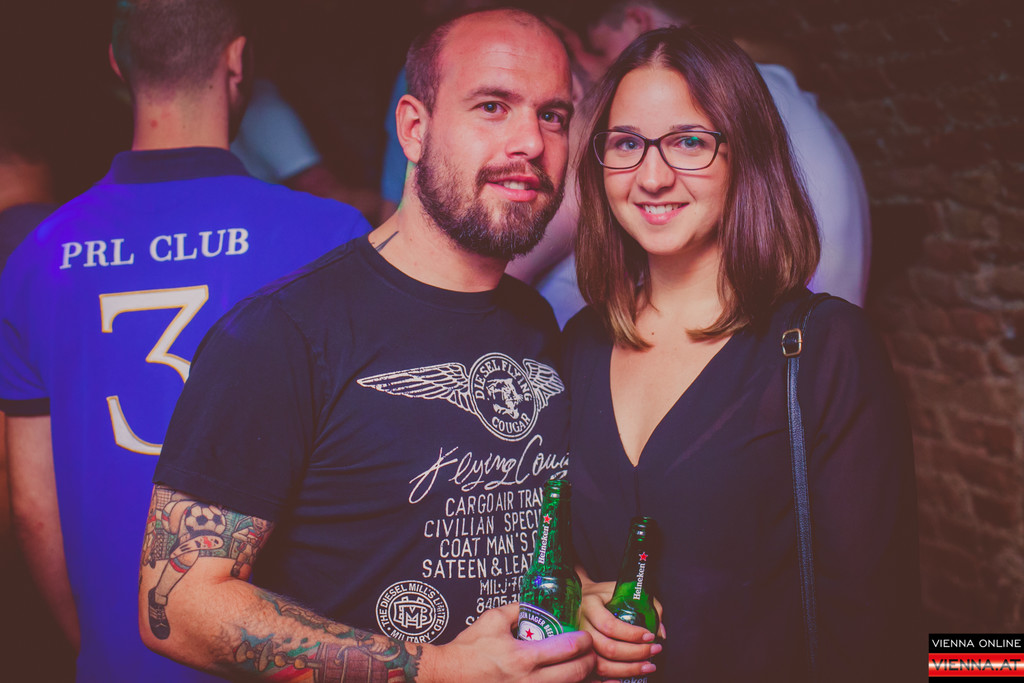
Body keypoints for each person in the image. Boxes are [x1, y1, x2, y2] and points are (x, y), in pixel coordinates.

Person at [139, 9, 601, 682]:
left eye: (553, 116)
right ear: (414, 128)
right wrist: (435, 669)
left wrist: (591, 605)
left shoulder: (534, 322)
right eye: (493, 106)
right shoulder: (283, 333)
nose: (530, 140)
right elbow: (178, 607)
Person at [0, 1, 370, 680]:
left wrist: (104, 647)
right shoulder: (331, 236)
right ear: (238, 61)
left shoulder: (36, 259)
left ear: (118, 67)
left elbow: (31, 506)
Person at [562, 26, 920, 682]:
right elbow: (550, 543)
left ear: (744, 155)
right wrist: (580, 595)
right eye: (626, 144)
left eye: (689, 142)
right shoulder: (579, 342)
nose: (652, 176)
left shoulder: (825, 348)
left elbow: (878, 620)